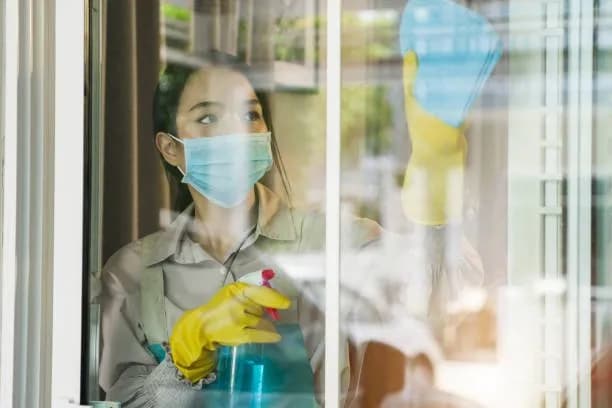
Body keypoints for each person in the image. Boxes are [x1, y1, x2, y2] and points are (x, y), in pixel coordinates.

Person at [97, 51, 483, 407]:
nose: (237, 133)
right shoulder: (134, 273)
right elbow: (128, 402)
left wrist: (438, 171)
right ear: (170, 147)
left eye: (251, 115)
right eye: (209, 118)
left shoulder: (328, 243)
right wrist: (184, 360)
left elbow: (450, 281)